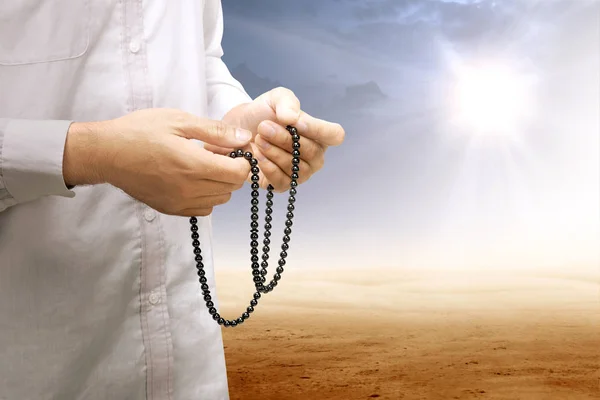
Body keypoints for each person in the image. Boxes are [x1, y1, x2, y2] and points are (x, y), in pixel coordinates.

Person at [0, 1, 345, 399]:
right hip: (36, 366)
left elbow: (198, 56)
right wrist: (90, 153)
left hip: (189, 362)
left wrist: (234, 117)